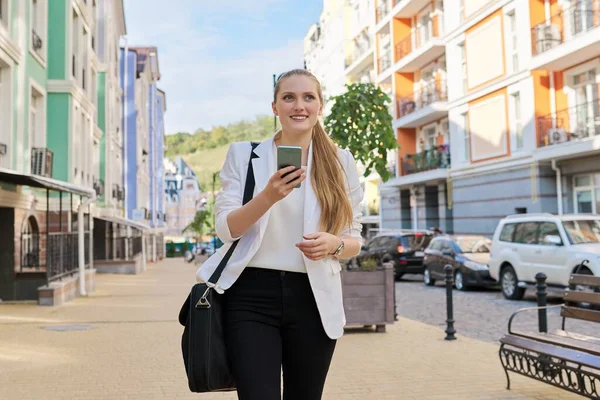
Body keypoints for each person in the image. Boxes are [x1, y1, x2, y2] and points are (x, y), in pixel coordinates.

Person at [196, 68, 364, 400]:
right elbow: (226, 229)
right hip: (250, 297)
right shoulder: (244, 156)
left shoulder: (341, 162)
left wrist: (335, 244)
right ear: (275, 107)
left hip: (314, 298)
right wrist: (268, 196)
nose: (298, 105)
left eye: (308, 97)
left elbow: (354, 239)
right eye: (288, 97)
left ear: (320, 106)